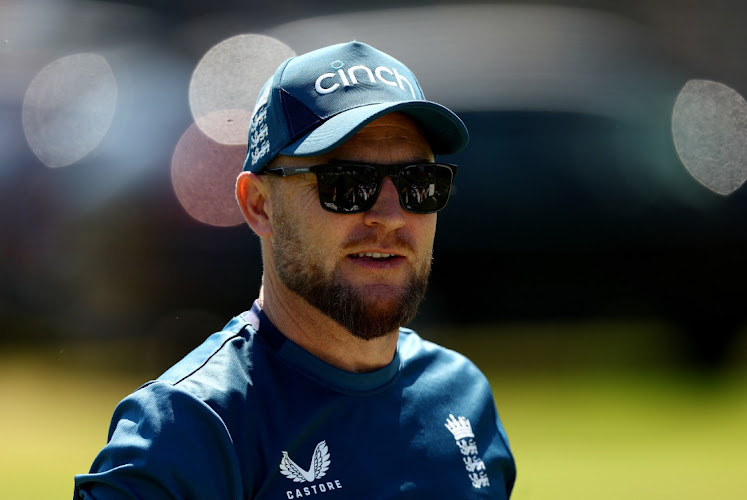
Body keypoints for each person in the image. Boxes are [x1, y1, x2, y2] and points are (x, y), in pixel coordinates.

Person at [74, 40, 516, 499]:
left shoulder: (461, 395)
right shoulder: (191, 428)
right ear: (259, 205)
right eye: (346, 185)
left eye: (418, 184)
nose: (390, 216)